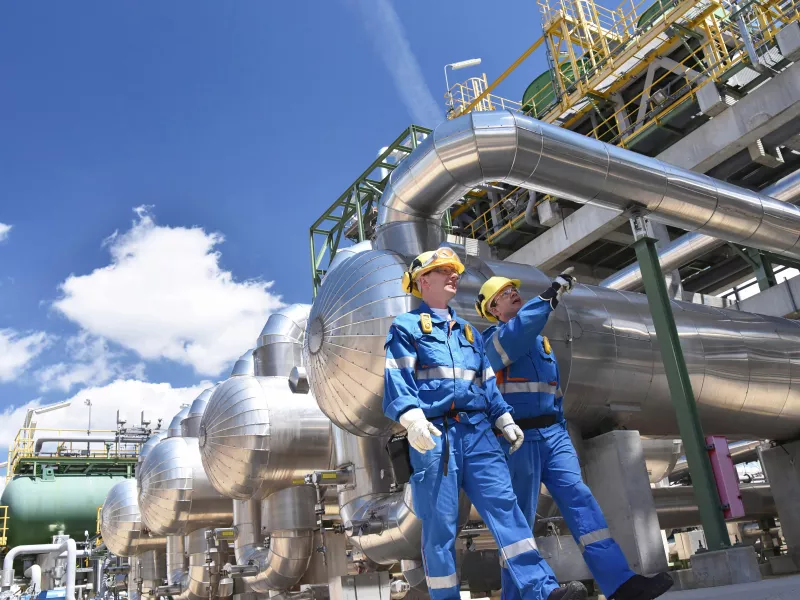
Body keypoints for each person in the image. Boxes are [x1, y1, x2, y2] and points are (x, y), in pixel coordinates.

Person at [383, 246, 589, 600]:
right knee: (440, 528)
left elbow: (486, 382)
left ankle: (542, 591)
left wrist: (504, 417)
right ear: (422, 280)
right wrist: (412, 417)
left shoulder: (468, 332)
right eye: (445, 270)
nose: (454, 275)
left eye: (455, 270)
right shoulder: (406, 328)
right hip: (435, 436)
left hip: (478, 433)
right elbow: (397, 378)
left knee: (507, 510)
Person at [475, 272, 675, 600]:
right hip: (516, 439)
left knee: (582, 503)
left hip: (553, 434)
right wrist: (549, 296)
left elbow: (551, 389)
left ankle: (621, 584)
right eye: (504, 293)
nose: (513, 293)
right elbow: (518, 333)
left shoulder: (540, 342)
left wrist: (560, 426)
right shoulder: (492, 341)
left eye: (514, 289)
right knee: (518, 522)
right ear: (492, 309)